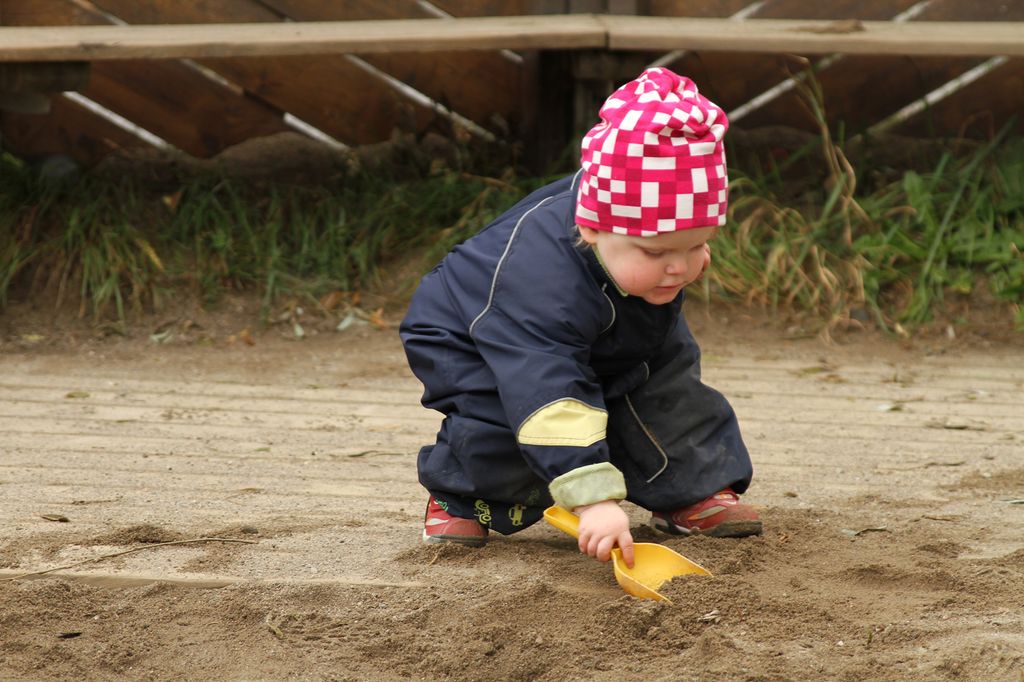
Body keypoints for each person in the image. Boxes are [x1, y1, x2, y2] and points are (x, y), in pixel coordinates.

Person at [399, 67, 759, 568]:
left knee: (663, 383)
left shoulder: (641, 263)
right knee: (511, 413)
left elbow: (656, 276)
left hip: (617, 310)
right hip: (474, 333)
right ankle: (464, 497)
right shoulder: (541, 281)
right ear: (591, 229)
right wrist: (593, 499)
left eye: (697, 245)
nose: (680, 266)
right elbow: (547, 388)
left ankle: (688, 489)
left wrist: (655, 263)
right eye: (658, 252)